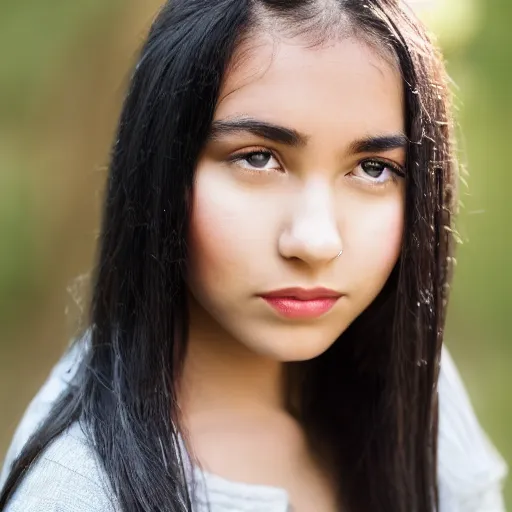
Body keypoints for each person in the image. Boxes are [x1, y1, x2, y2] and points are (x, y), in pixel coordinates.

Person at [0, 0, 507, 510]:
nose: (315, 241)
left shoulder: (414, 388)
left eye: (373, 168)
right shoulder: (75, 492)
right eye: (258, 158)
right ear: (159, 168)